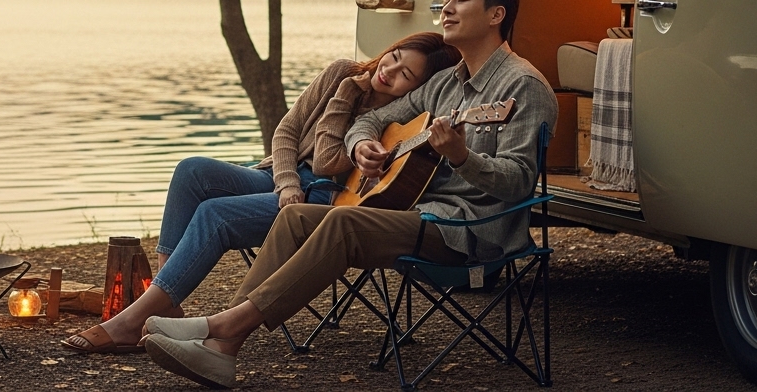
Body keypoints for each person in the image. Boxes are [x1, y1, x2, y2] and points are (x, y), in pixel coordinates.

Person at [141, 0, 558, 388]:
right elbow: (371, 121)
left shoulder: (523, 86)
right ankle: (221, 343)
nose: (446, 8)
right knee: (294, 216)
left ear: (496, 14)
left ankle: (221, 332)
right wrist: (362, 145)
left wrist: (461, 156)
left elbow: (519, 182)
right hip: (421, 214)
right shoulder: (445, 84)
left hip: (470, 230)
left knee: (342, 220)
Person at [63, 32, 461, 354]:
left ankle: (132, 322)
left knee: (215, 214)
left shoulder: (401, 118)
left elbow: (325, 163)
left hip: (326, 198)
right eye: (393, 56)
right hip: (284, 177)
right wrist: (286, 182)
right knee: (191, 172)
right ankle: (164, 301)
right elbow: (286, 132)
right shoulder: (342, 71)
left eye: (405, 74)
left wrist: (344, 98)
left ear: (417, 88)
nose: (389, 70)